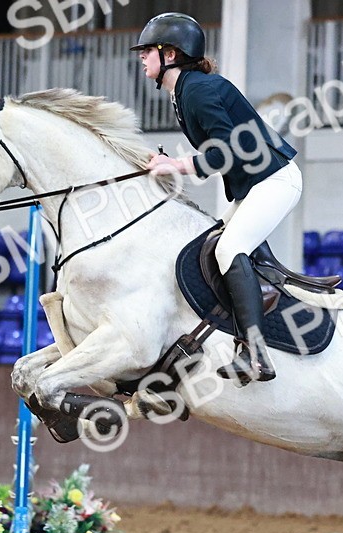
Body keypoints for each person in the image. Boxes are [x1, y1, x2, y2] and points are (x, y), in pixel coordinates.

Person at [132, 12, 301, 384]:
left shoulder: (198, 90)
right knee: (214, 245)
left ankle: (256, 354)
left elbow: (228, 150)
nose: (141, 57)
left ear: (170, 55)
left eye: (148, 51)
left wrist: (176, 164)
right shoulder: (185, 90)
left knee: (228, 250)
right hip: (255, 185)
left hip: (275, 181)